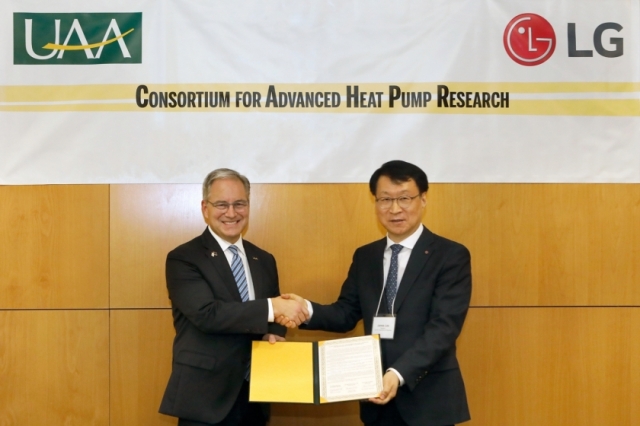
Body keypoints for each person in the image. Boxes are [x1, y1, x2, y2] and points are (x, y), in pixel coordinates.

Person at [285, 160, 471, 426]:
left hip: (429, 400)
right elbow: (346, 313)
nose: (395, 209)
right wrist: (304, 308)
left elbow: (444, 328)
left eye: (404, 198)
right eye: (385, 199)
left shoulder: (450, 255)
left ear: (423, 199)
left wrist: (398, 373)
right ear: (375, 202)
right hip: (375, 399)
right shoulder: (366, 256)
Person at [159, 168, 309, 426]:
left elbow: (270, 315)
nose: (231, 213)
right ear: (205, 208)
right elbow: (208, 315)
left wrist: (274, 331)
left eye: (239, 204)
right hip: (205, 398)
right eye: (221, 204)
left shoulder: (263, 259)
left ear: (248, 206)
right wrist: (273, 307)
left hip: (255, 393)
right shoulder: (184, 258)